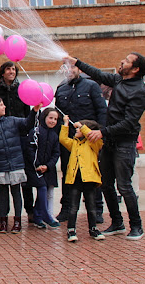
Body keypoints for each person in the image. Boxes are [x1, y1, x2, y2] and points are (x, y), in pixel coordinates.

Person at [64, 53, 145, 241]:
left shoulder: (140, 92)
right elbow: (98, 74)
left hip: (125, 143)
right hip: (109, 141)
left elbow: (129, 122)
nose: (122, 61)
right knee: (106, 184)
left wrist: (102, 132)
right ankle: (117, 223)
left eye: (127, 61)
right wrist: (76, 62)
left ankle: (136, 226)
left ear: (135, 69)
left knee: (124, 186)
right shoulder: (119, 80)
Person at [55, 63, 107, 223]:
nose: (70, 71)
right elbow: (57, 115)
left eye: (73, 68)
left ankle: (97, 210)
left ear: (79, 69)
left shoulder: (91, 86)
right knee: (68, 172)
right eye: (67, 69)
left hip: (90, 139)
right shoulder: (61, 89)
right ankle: (66, 209)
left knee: (91, 172)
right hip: (70, 141)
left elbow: (102, 111)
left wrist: (102, 133)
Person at [0, 97, 39, 234]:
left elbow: (27, 124)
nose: (4, 107)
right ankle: (3, 221)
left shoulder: (12, 120)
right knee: (3, 194)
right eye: (1, 105)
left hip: (15, 162)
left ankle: (17, 221)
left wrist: (34, 111)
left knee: (16, 193)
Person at [0, 62, 32, 224]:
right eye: (8, 69)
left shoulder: (22, 89)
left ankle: (30, 210)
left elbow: (28, 113)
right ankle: (3, 213)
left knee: (22, 177)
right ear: (2, 73)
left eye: (13, 69)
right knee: (4, 184)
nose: (11, 71)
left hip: (19, 133)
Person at [59, 116, 105, 242]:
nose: (76, 131)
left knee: (91, 206)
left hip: (89, 180)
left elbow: (90, 135)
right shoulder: (74, 144)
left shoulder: (94, 143)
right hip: (75, 180)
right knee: (73, 206)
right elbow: (63, 139)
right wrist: (66, 124)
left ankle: (93, 228)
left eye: (79, 130)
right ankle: (71, 229)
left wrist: (81, 126)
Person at [24, 108, 61, 229]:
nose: (53, 121)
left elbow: (56, 153)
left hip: (47, 168)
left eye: (55, 119)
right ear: (44, 117)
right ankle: (45, 214)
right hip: (34, 168)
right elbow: (30, 150)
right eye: (50, 118)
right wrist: (38, 165)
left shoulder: (55, 135)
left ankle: (38, 216)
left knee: (45, 190)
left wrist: (48, 166)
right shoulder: (35, 131)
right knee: (42, 188)